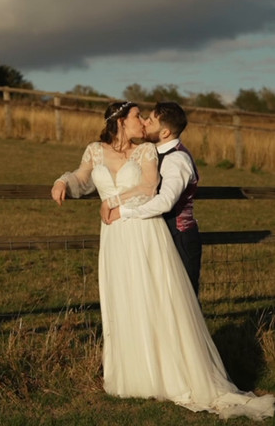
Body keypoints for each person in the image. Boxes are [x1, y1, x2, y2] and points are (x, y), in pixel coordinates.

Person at [51, 101, 274, 420]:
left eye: (145, 117)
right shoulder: (94, 150)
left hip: (144, 232)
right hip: (114, 237)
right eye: (136, 116)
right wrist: (62, 181)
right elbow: (82, 177)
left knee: (153, 299)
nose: (142, 121)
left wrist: (114, 201)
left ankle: (167, 372)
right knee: (124, 298)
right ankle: (134, 375)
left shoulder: (147, 153)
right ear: (119, 122)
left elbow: (149, 187)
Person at [100, 102, 202, 296]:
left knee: (183, 299)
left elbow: (165, 202)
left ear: (164, 133)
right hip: (159, 236)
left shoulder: (177, 159)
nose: (145, 123)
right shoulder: (152, 153)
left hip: (179, 236)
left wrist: (123, 211)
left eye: (151, 120)